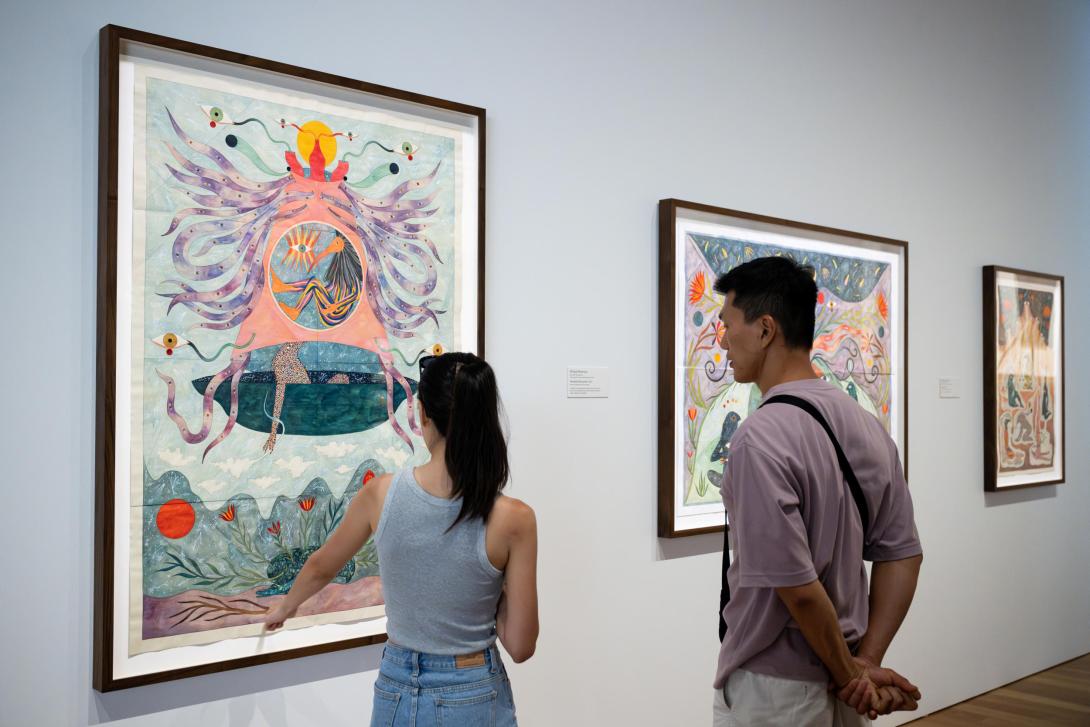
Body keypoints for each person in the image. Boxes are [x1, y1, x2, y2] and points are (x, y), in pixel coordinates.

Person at [265, 352, 538, 727]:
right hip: (471, 687)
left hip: (395, 686)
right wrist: (493, 587)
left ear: (423, 414)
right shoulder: (514, 519)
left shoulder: (380, 495)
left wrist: (284, 608)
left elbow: (321, 565)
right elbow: (521, 646)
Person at [710, 256, 924, 725]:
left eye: (728, 324)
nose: (723, 341)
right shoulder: (866, 426)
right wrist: (864, 663)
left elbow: (797, 586)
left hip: (776, 690)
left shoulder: (759, 438)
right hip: (844, 681)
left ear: (766, 330)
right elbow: (902, 554)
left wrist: (851, 674)